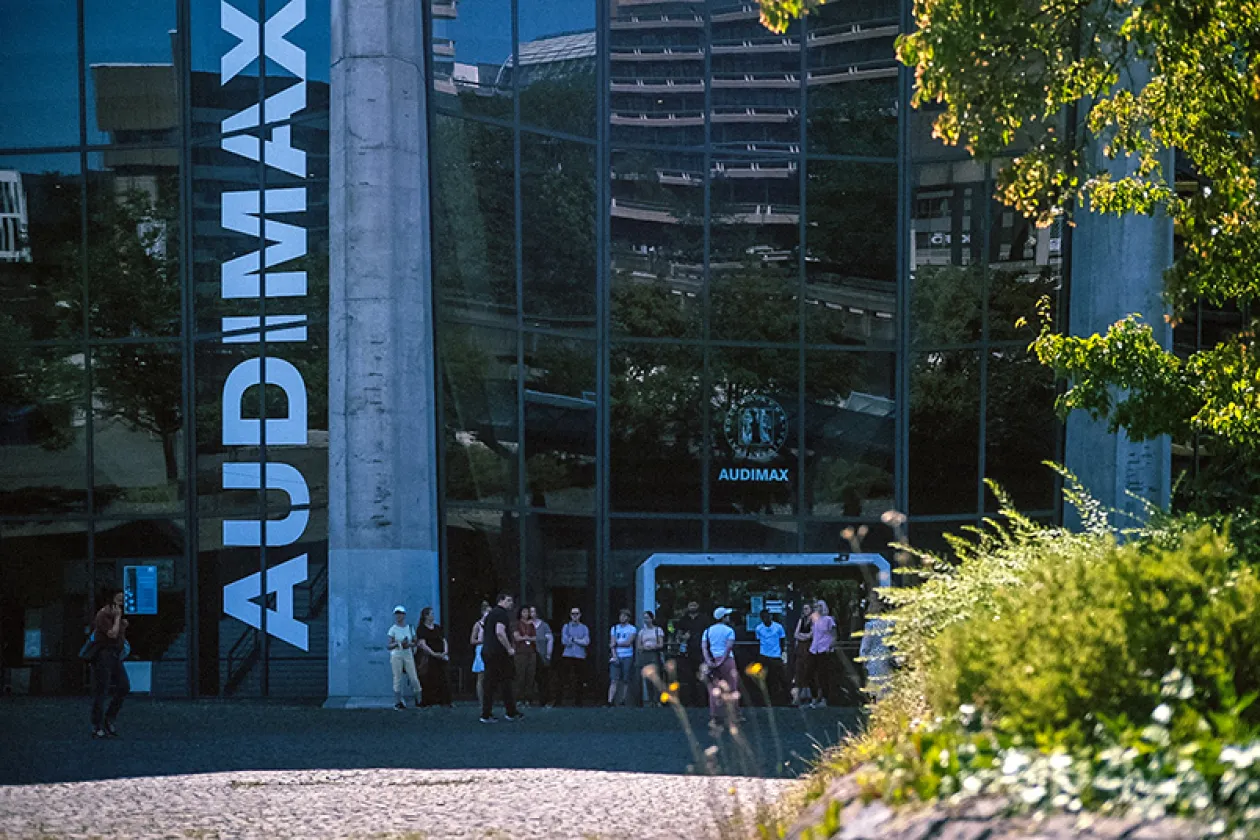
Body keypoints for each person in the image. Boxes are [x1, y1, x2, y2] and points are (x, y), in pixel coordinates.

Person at [89, 587, 130, 738]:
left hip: (114, 655)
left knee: (124, 686)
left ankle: (109, 719)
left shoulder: (114, 616)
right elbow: (112, 634)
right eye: (119, 600)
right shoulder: (103, 615)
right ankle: (97, 725)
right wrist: (118, 619)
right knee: (102, 690)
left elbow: (119, 637)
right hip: (103, 655)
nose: (122, 604)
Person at [480, 592, 523, 723]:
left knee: (495, 683)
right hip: (498, 654)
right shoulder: (501, 614)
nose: (511, 603)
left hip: (489, 652)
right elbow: (500, 632)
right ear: (502, 601)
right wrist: (509, 648)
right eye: (509, 600)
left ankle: (506, 711)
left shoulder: (490, 614)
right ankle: (492, 713)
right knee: (502, 682)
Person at [701, 607, 740, 729]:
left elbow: (704, 647)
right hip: (727, 661)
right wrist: (722, 661)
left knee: (713, 688)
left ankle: (715, 716)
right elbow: (728, 648)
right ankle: (733, 715)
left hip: (712, 659)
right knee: (732, 687)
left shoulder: (707, 631)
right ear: (723, 618)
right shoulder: (729, 630)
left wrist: (708, 661)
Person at [387, 605, 422, 710]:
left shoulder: (410, 628)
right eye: (397, 614)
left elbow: (416, 642)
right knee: (397, 678)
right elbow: (389, 645)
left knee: (414, 678)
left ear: (404, 615)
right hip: (397, 654)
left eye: (400, 613)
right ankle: (397, 702)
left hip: (407, 654)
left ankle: (419, 700)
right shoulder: (392, 629)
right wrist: (399, 643)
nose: (398, 616)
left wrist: (409, 644)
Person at [416, 607, 452, 708]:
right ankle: (429, 701)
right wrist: (433, 653)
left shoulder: (437, 627)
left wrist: (445, 651)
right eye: (431, 614)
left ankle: (444, 700)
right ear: (426, 616)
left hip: (440, 656)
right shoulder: (421, 629)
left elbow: (444, 640)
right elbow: (423, 644)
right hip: (429, 657)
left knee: (443, 677)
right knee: (429, 678)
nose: (433, 616)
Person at [859, 591, 892, 697]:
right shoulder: (891, 623)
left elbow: (865, 645)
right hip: (888, 657)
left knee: (877, 692)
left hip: (874, 659)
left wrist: (863, 658)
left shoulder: (870, 625)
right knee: (887, 690)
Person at [807, 599, 838, 708]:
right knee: (810, 673)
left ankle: (824, 698)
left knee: (823, 675)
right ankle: (814, 697)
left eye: (819, 606)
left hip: (824, 648)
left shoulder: (829, 620)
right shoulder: (815, 619)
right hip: (814, 648)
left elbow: (834, 635)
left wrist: (830, 646)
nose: (817, 608)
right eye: (816, 606)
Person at [753, 609, 788, 706]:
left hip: (776, 655)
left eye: (767, 616)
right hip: (764, 655)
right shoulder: (759, 628)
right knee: (766, 678)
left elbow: (782, 640)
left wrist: (781, 653)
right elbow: (758, 641)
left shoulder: (778, 627)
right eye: (763, 617)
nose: (766, 619)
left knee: (781, 677)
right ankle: (767, 699)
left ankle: (785, 698)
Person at [675, 600, 706, 707]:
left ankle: (702, 701)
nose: (692, 607)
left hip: (701, 651)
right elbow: (678, 634)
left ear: (698, 606)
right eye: (690, 605)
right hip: (687, 652)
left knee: (702, 676)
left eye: (694, 605)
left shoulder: (704, 619)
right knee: (689, 677)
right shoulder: (683, 620)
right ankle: (690, 701)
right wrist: (683, 638)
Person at [558, 606, 590, 705]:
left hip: (580, 656)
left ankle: (578, 701)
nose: (575, 616)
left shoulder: (584, 627)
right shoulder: (566, 627)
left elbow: (586, 641)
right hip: (568, 655)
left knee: (579, 679)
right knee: (563, 678)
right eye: (573, 614)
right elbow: (564, 641)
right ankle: (559, 701)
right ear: (570, 615)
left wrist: (574, 639)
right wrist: (579, 640)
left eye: (576, 614)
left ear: (580, 615)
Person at [606, 608, 637, 707]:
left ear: (628, 618)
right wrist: (614, 655)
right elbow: (612, 643)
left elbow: (628, 642)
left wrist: (617, 643)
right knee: (613, 679)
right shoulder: (614, 628)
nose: (621, 618)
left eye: (624, 616)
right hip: (617, 655)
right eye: (621, 616)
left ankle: (623, 699)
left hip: (627, 655)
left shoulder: (632, 629)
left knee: (625, 679)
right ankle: (610, 701)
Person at [635, 610, 666, 705]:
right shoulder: (642, 632)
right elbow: (638, 645)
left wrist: (653, 646)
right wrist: (644, 647)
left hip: (654, 654)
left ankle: (658, 699)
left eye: (647, 617)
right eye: (644, 618)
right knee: (647, 678)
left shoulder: (658, 630)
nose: (646, 620)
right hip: (645, 655)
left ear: (652, 618)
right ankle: (651, 699)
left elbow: (661, 644)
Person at [513, 605, 539, 705]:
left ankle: (529, 699)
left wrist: (526, 637)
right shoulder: (517, 624)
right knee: (520, 676)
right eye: (524, 612)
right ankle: (519, 698)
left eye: (527, 612)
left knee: (530, 676)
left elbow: (535, 638)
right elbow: (517, 638)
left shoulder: (531, 625)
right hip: (520, 653)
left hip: (531, 652)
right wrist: (526, 637)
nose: (526, 614)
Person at [531, 606, 555, 707]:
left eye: (533, 611)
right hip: (530, 655)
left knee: (543, 679)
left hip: (542, 655)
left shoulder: (544, 625)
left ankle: (544, 699)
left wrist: (548, 654)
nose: (531, 613)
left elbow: (550, 639)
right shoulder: (526, 625)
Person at [791, 602, 814, 707]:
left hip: (809, 648)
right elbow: (796, 634)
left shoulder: (813, 621)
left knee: (808, 670)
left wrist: (803, 636)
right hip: (801, 648)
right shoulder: (801, 620)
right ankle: (797, 697)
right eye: (804, 609)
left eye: (807, 608)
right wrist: (803, 637)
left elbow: (811, 634)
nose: (805, 611)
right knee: (799, 671)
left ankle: (808, 696)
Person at [469, 601, 490, 708]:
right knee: (481, 676)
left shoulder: (492, 625)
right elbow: (472, 640)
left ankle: (488, 700)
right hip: (481, 649)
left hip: (490, 649)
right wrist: (481, 640)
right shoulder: (478, 625)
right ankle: (481, 702)